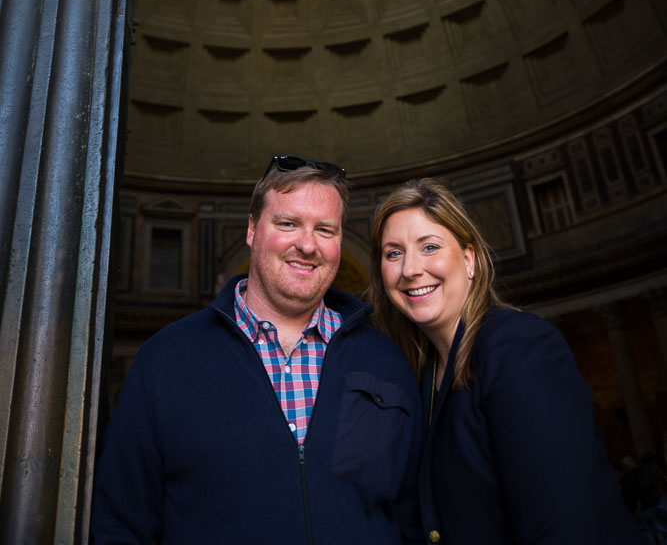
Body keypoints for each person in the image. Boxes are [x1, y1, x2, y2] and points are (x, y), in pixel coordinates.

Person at [91, 155, 423, 544]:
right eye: (288, 223)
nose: (307, 244)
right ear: (252, 229)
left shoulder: (385, 361)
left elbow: (413, 516)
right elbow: (120, 524)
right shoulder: (166, 359)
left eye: (326, 230)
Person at [368, 176, 640, 545]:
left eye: (429, 246)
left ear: (469, 260)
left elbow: (566, 529)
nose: (410, 269)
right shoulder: (425, 373)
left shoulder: (519, 348)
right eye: (393, 253)